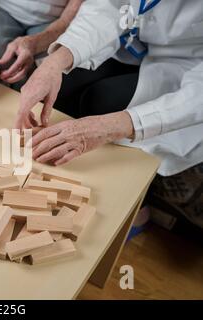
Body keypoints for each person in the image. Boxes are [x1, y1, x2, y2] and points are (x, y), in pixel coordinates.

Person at [15, 0, 203, 229]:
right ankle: (44, 188)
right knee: (63, 89)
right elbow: (108, 5)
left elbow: (196, 98)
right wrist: (55, 62)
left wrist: (109, 127)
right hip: (134, 41)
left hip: (188, 69)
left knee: (103, 102)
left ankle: (130, 209)